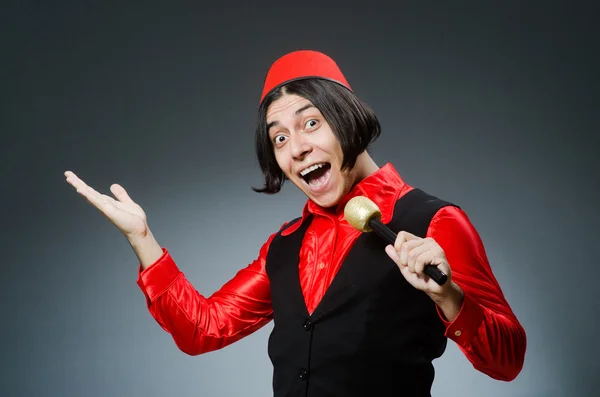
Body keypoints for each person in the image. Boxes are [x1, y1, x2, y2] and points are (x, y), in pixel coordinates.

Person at [65, 50, 527, 396]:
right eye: (279, 137)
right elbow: (203, 329)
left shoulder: (435, 220)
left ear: (347, 120)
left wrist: (449, 297)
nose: (296, 148)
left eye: (310, 124)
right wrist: (142, 239)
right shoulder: (283, 247)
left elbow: (507, 362)